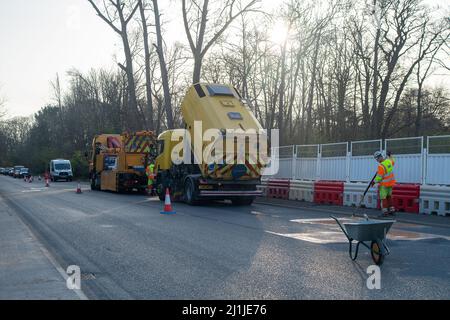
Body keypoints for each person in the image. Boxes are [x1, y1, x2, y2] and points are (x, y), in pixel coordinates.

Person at [371, 151, 396, 217]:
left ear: (379, 157)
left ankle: (385, 212)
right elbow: (393, 161)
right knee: (389, 196)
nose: (377, 161)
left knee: (383, 198)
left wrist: (374, 182)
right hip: (391, 183)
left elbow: (379, 177)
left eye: (377, 159)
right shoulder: (388, 161)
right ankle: (392, 210)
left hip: (384, 184)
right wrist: (390, 155)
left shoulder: (381, 166)